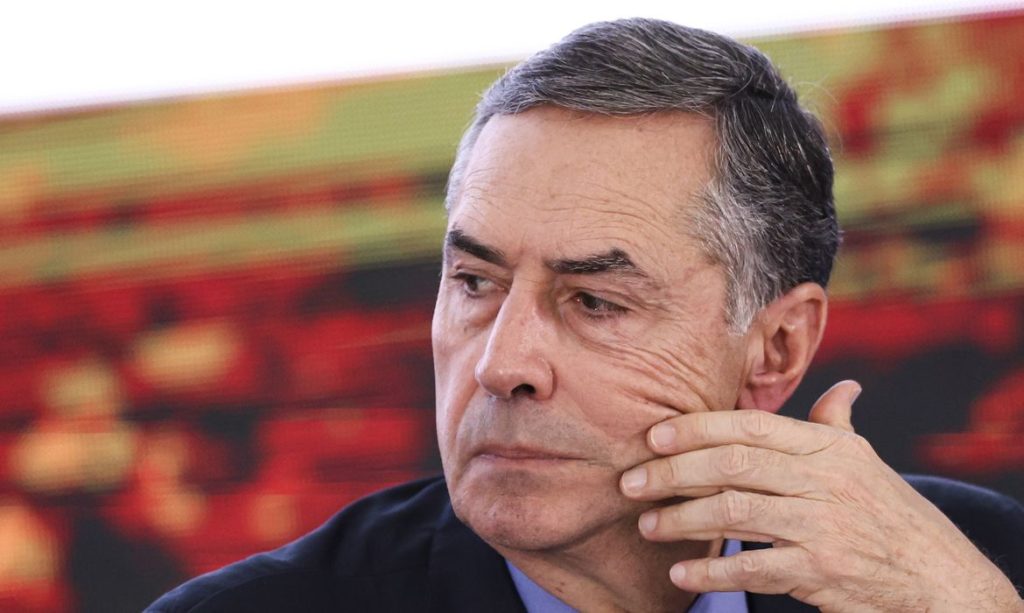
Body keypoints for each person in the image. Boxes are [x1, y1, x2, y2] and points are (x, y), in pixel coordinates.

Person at [148, 18, 1024, 612]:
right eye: (474, 283)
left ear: (775, 347)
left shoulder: (976, 563)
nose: (501, 365)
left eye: (595, 300)